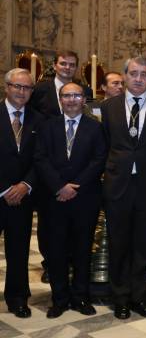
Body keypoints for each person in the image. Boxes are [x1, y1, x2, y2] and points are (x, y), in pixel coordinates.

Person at [101, 57, 146, 319]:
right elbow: (104, 145)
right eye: (134, 73)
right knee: (119, 243)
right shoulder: (108, 107)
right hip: (118, 185)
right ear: (125, 76)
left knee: (144, 244)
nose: (139, 79)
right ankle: (120, 297)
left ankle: (139, 296)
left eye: (144, 74)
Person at [35, 82, 107, 318]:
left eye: (76, 95)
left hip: (85, 197)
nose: (72, 100)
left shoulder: (95, 128)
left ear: (84, 100)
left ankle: (80, 297)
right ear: (60, 100)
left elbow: (99, 159)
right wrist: (60, 186)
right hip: (54, 198)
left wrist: (75, 186)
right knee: (56, 250)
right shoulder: (47, 126)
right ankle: (59, 299)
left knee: (82, 250)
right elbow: (40, 158)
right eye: (67, 96)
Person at [29, 50, 93, 283]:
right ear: (55, 65)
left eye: (72, 64)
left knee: (76, 226)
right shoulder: (40, 90)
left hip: (77, 169)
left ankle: (72, 263)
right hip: (49, 167)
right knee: (48, 224)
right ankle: (51, 263)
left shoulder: (84, 90)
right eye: (63, 63)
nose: (67, 68)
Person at [0, 69, 43, 318]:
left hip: (23, 196)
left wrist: (26, 185)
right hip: (1, 192)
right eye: (17, 86)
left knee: (18, 250)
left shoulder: (39, 120)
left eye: (27, 88)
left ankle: (17, 298)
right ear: (7, 87)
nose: (22, 91)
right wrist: (5, 188)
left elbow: (42, 158)